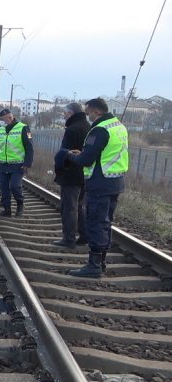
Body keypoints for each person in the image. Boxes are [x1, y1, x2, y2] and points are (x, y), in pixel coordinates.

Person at [62, 98, 128, 277]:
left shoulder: (99, 130)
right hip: (115, 182)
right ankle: (102, 261)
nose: (88, 116)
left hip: (100, 182)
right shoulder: (119, 127)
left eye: (88, 112)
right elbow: (104, 154)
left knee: (96, 222)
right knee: (106, 222)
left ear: (96, 112)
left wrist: (70, 155)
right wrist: (83, 153)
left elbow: (86, 160)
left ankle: (94, 265)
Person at [51, 103, 91, 248]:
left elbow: (65, 153)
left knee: (69, 208)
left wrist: (59, 166)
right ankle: (84, 235)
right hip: (85, 173)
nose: (64, 115)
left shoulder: (72, 129)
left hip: (71, 173)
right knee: (80, 206)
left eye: (65, 113)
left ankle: (69, 239)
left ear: (71, 113)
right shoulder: (89, 127)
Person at [0, 109, 33, 216]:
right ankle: (7, 209)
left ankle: (20, 204)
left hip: (18, 164)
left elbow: (29, 147)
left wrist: (27, 163)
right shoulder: (0, 130)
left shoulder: (24, 128)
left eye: (2, 119)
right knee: (4, 188)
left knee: (15, 186)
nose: (1, 122)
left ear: (9, 117)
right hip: (2, 164)